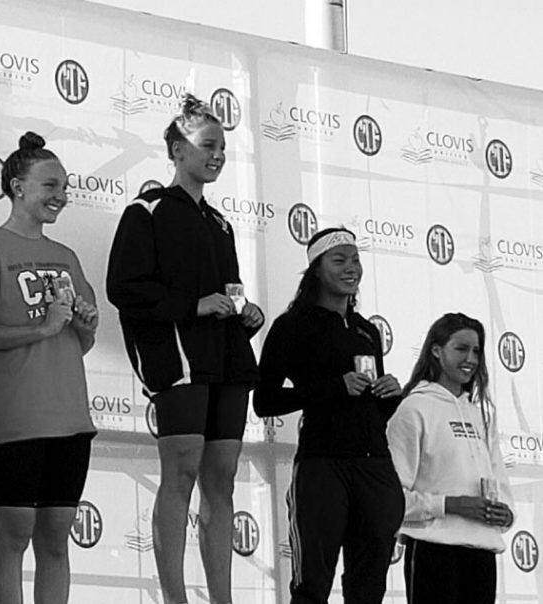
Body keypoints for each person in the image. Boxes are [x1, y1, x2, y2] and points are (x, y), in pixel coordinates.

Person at [106, 93, 263, 604]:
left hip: (229, 360)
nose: (217, 155)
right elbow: (124, 288)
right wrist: (192, 306)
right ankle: (174, 596)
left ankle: (222, 597)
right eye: (207, 145)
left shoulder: (220, 223)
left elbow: (231, 291)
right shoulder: (146, 210)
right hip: (179, 361)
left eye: (222, 147)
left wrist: (247, 314)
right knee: (182, 469)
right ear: (176, 150)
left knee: (223, 477)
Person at [0, 132, 98, 604]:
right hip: (17, 415)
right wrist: (39, 330)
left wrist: (84, 322)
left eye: (64, 187)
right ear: (17, 187)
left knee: (57, 535)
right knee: (15, 529)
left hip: (71, 415)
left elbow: (82, 341)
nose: (61, 196)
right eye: (50, 185)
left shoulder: (66, 256)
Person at [253, 227, 404, 604]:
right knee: (311, 588)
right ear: (316, 269)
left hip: (375, 468)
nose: (351, 268)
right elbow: (265, 401)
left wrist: (388, 396)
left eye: (355, 259)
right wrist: (334, 387)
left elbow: (371, 410)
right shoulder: (292, 327)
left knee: (369, 588)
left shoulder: (367, 330)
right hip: (322, 466)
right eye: (340, 260)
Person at [386, 313, 514, 604]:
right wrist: (450, 505)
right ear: (436, 351)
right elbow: (391, 499)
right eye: (461, 348)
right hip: (434, 549)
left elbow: (499, 478)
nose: (470, 358)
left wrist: (506, 514)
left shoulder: (482, 413)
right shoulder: (414, 408)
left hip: (482, 552)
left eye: (477, 351)